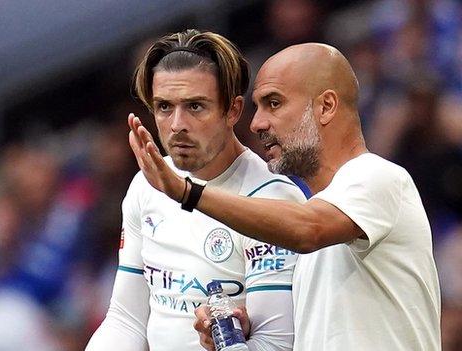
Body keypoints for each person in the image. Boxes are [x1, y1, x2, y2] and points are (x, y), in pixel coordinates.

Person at [128, 42, 441, 350]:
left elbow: (307, 229)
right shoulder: (317, 232)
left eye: (273, 103)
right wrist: (238, 337)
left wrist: (187, 192)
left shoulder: (378, 177)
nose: (257, 123)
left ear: (326, 106)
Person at [86, 29, 306, 351]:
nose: (177, 125)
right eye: (164, 107)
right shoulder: (146, 186)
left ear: (232, 110)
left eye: (195, 106)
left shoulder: (272, 199)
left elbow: (274, 345)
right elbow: (126, 319)